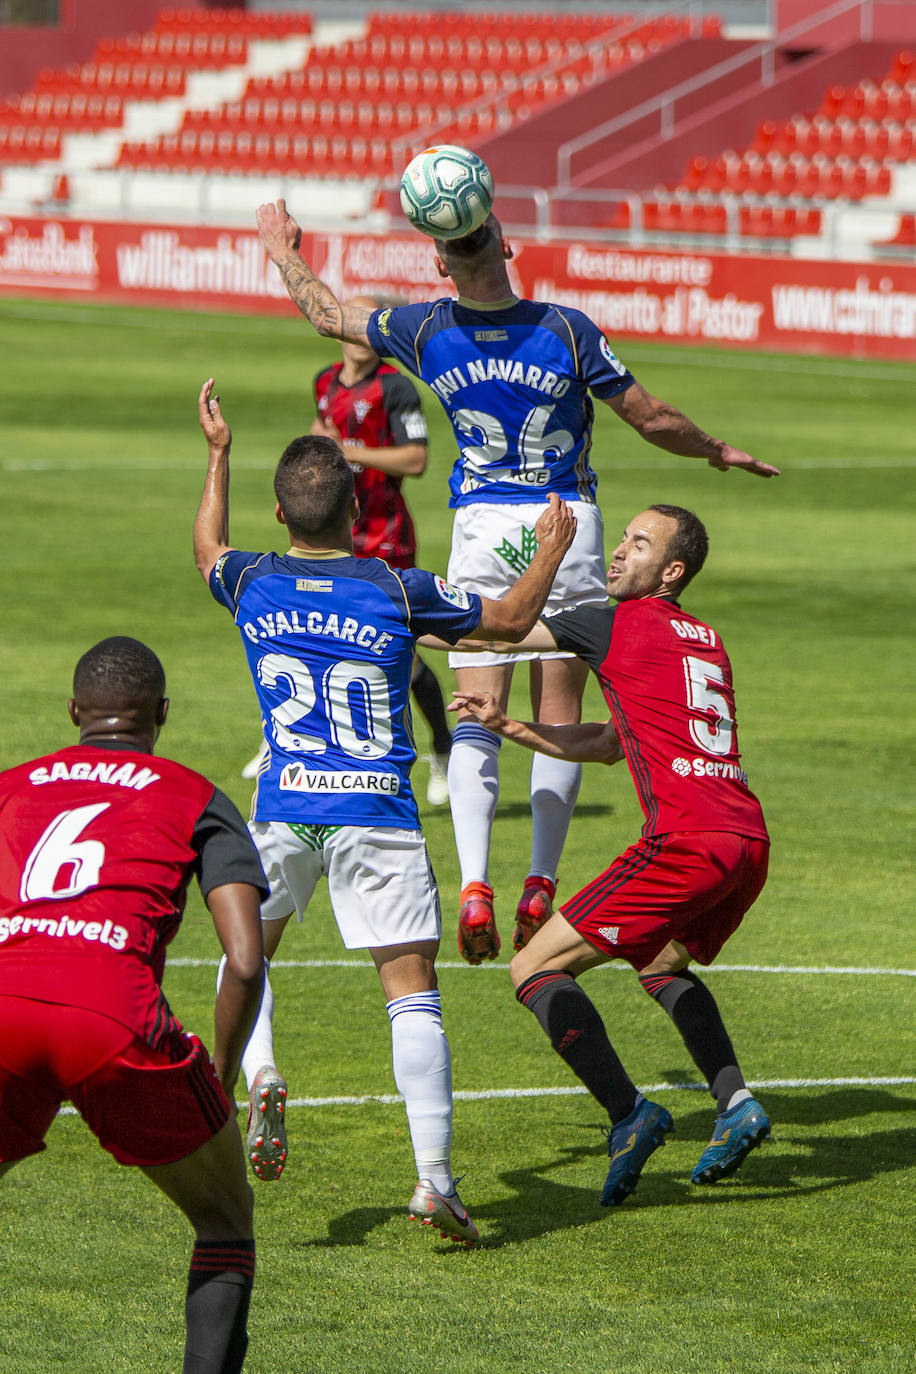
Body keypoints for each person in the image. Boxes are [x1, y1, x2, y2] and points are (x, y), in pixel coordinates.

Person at [255, 198, 780, 969]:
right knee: (558, 707)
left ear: (439, 262)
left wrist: (283, 249)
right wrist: (715, 449)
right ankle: (539, 879)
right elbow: (650, 417)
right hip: (564, 520)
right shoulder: (568, 328)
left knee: (478, 710)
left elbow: (330, 315)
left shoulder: (425, 326)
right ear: (505, 242)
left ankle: (474, 885)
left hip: (481, 526)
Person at [193, 378, 576, 1243]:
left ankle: (257, 1074)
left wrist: (217, 453)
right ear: (359, 505)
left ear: (282, 513)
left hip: (284, 804)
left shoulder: (250, 578)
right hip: (377, 810)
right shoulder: (398, 591)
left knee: (247, 955)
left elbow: (205, 545)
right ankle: (434, 1181)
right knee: (410, 994)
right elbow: (510, 623)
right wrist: (550, 547)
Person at [449, 505, 772, 1205]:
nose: (620, 551)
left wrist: (381, 611)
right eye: (622, 538)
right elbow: (603, 745)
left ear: (673, 570)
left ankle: (630, 1114)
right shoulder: (703, 639)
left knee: (532, 967)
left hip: (685, 842)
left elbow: (498, 628)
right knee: (658, 960)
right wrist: (507, 725)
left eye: (639, 543)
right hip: (745, 840)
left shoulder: (609, 621)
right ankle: (735, 1100)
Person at [0, 637, 267, 1373]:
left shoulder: (11, 784)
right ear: (162, 715)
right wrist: (220, 1071)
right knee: (222, 1220)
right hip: (112, 1018)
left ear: (74, 713)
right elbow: (244, 960)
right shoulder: (194, 795)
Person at [242, 294, 454, 806]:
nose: (346, 328)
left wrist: (349, 451)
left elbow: (417, 458)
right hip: (329, 530)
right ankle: (283, 737)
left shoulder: (396, 387)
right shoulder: (323, 381)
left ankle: (441, 748)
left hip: (383, 532)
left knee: (403, 647)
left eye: (356, 319)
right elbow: (324, 438)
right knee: (312, 627)